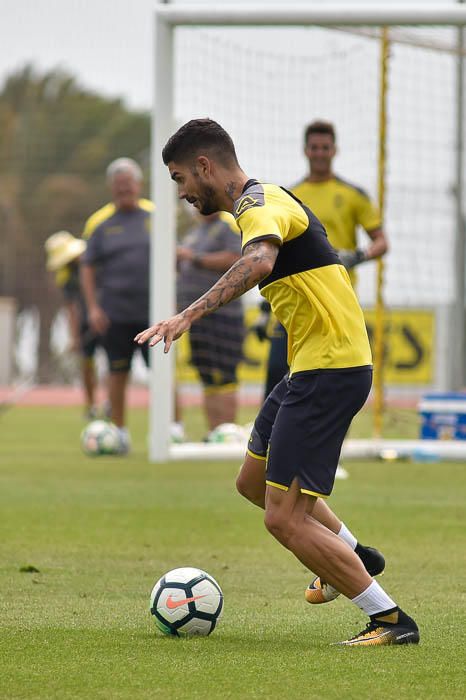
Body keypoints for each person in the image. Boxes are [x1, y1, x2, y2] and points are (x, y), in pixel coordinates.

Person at [135, 118, 419, 646]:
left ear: (204, 166)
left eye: (180, 179)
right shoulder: (266, 200)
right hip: (310, 367)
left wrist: (187, 316)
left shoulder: (257, 205)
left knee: (283, 520)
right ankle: (353, 553)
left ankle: (389, 620)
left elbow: (260, 259)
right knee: (251, 481)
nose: (183, 193)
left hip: (330, 370)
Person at [256, 119, 389, 398]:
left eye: (325, 147)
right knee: (278, 374)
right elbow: (273, 250)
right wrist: (263, 309)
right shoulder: (289, 196)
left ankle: (326, 441)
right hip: (294, 302)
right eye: (314, 147)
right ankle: (268, 441)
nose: (319, 153)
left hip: (335, 301)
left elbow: (381, 242)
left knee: (333, 381)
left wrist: (357, 255)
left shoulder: (352, 195)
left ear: (334, 151)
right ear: (305, 150)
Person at [80, 158, 152, 454]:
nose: (124, 190)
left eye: (129, 184)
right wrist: (93, 308)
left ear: (139, 184)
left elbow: (173, 258)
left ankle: (172, 430)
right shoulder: (99, 223)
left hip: (153, 315)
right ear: (112, 188)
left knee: (163, 373)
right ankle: (119, 433)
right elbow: (86, 267)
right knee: (116, 373)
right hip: (115, 314)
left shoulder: (154, 216)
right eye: (119, 186)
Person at [176, 212, 244, 437]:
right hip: (198, 317)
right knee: (207, 376)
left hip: (223, 314)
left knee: (224, 375)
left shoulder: (228, 226)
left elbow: (239, 260)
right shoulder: (195, 231)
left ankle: (228, 433)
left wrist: (194, 257)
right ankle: (215, 433)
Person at [44, 230, 102, 419]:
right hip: (86, 322)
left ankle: (109, 403)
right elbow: (72, 307)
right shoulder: (66, 276)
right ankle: (91, 406)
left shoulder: (96, 262)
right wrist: (75, 336)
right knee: (86, 363)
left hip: (107, 316)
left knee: (113, 362)